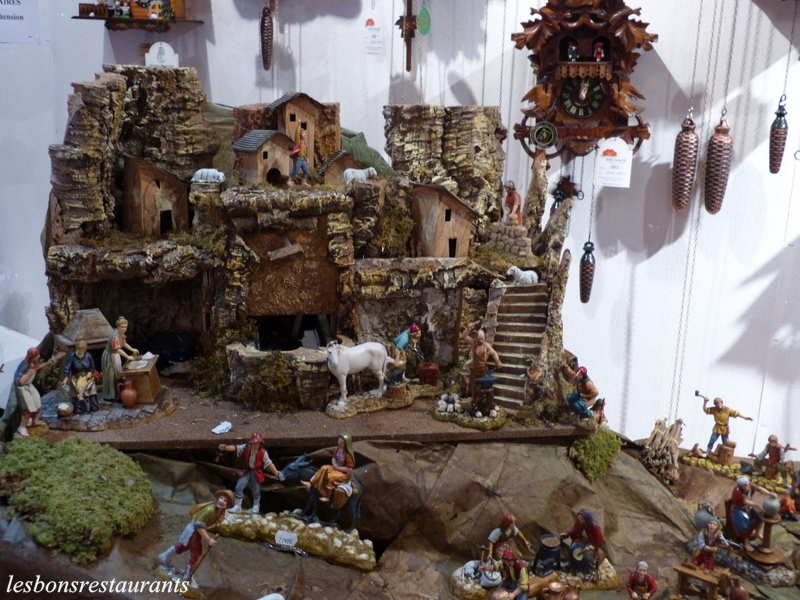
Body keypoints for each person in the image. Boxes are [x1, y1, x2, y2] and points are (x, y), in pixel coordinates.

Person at [158, 489, 234, 582]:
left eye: (225, 500)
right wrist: (208, 539)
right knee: (195, 553)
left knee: (185, 548)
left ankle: (166, 557)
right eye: (221, 498)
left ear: (227, 505)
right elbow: (198, 525)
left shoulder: (220, 513)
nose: (222, 501)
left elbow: (210, 525)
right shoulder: (209, 510)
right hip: (193, 530)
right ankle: (185, 573)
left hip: (197, 532)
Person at [218, 432, 279, 513]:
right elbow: (235, 448)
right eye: (254, 443)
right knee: (239, 487)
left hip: (256, 472)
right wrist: (226, 448)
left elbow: (269, 464)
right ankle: (237, 506)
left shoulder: (263, 453)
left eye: (258, 444)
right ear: (251, 443)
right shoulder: (246, 448)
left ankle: (256, 506)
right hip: (247, 471)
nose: (256, 445)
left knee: (256, 489)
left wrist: (276, 472)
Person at [8, 348, 59, 438]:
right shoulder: (24, 365)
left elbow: (38, 369)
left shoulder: (35, 363)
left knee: (37, 402)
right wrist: (28, 374)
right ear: (31, 357)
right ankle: (22, 427)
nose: (38, 357)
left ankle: (35, 421)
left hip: (29, 386)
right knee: (29, 407)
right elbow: (20, 382)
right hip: (23, 388)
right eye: (36, 356)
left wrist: (49, 364)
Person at [302, 433, 358, 508]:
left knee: (330, 477)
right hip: (336, 467)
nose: (339, 443)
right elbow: (333, 458)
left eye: (342, 442)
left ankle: (327, 495)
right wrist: (334, 464)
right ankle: (311, 483)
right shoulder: (339, 449)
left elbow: (349, 469)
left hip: (344, 473)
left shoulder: (348, 455)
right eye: (339, 441)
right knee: (324, 468)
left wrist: (339, 468)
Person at [729, 475, 773, 552]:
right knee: (744, 525)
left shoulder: (750, 486)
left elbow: (759, 488)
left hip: (747, 508)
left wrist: (769, 493)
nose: (746, 487)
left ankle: (757, 533)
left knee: (759, 517)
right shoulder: (737, 492)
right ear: (740, 486)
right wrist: (758, 505)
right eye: (744, 486)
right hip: (738, 510)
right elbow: (746, 501)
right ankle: (746, 542)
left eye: (747, 485)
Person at [460, 320, 502, 399]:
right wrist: (468, 329)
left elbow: (493, 352)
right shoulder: (473, 343)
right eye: (479, 339)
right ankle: (473, 399)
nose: (481, 341)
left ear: (484, 338)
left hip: (483, 370)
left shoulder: (486, 345)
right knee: (474, 388)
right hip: (475, 370)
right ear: (476, 338)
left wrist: (497, 361)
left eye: (482, 339)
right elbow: (464, 336)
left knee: (484, 389)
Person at [101, 316, 139, 401]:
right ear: (118, 327)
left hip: (115, 355)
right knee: (111, 375)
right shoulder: (115, 336)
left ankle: (118, 393)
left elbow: (124, 344)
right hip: (110, 357)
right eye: (122, 327)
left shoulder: (120, 335)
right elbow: (117, 349)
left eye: (125, 327)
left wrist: (132, 349)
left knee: (118, 373)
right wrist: (127, 356)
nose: (124, 329)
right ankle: (110, 395)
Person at [561, 509, 604, 579]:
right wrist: (567, 533)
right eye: (579, 518)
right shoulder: (579, 523)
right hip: (581, 541)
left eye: (582, 519)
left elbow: (599, 540)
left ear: (586, 519)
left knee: (587, 557)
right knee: (572, 548)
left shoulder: (594, 528)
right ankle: (572, 565)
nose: (580, 520)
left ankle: (588, 573)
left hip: (591, 544)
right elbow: (574, 529)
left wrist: (591, 547)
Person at [62, 341, 99, 414]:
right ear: (76, 349)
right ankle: (79, 408)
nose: (81, 351)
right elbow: (67, 368)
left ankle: (92, 406)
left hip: (87, 377)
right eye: (80, 350)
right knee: (78, 391)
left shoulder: (88, 355)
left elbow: (92, 366)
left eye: (83, 350)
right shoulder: (72, 356)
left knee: (91, 389)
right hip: (76, 377)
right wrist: (66, 378)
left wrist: (90, 372)